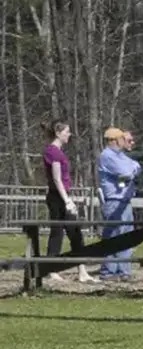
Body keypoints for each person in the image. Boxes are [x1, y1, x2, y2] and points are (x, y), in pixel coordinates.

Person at [40, 121, 96, 284]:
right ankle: (52, 269)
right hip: (58, 197)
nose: (69, 135)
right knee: (58, 233)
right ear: (58, 133)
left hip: (62, 195)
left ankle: (82, 270)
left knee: (74, 233)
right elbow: (57, 179)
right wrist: (67, 201)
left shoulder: (58, 152)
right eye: (67, 131)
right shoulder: (53, 152)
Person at [96, 127, 142, 281]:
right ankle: (109, 272)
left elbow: (136, 166)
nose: (126, 141)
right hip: (114, 202)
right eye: (123, 138)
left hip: (125, 201)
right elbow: (127, 172)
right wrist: (132, 171)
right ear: (114, 140)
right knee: (114, 236)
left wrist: (132, 170)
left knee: (127, 236)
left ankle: (123, 271)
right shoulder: (107, 156)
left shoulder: (120, 156)